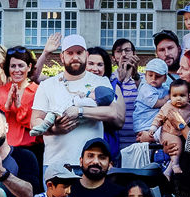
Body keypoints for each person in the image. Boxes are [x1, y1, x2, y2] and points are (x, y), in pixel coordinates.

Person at [29, 34, 122, 182]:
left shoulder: (100, 82)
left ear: (86, 55)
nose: (75, 57)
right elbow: (34, 120)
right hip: (56, 164)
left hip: (91, 165)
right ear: (62, 56)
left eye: (79, 53)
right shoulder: (48, 85)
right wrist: (53, 129)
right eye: (70, 53)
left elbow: (112, 113)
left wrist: (79, 111)